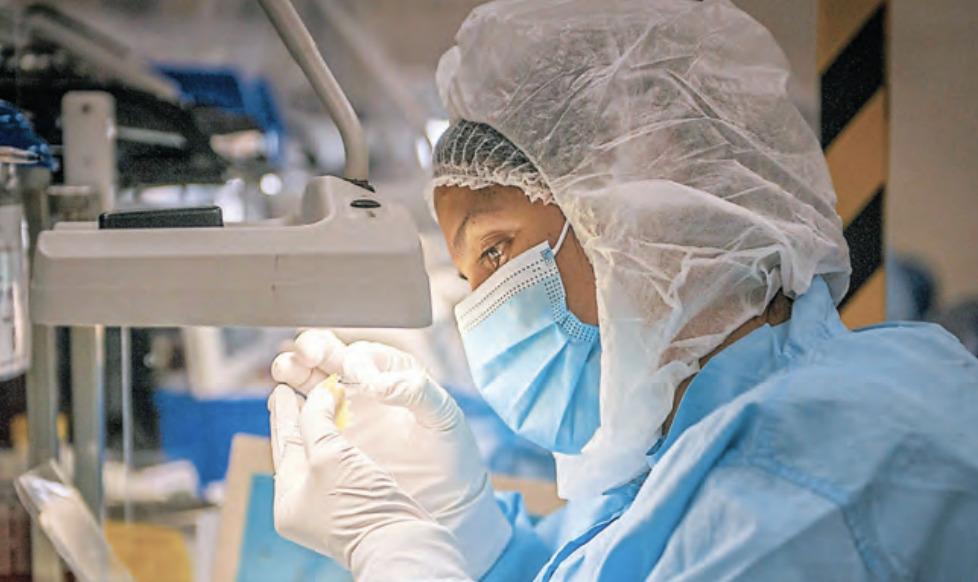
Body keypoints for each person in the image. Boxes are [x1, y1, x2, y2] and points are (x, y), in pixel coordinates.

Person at [267, 0, 978, 579]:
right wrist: (463, 523)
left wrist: (395, 551)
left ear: (638, 208)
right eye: (469, 280)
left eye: (496, 251)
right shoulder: (674, 451)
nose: (482, 310)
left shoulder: (819, 476)